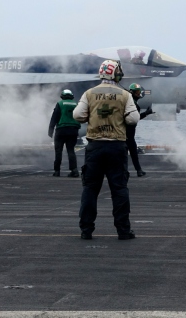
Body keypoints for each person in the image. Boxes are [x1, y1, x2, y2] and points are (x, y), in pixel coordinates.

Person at [73, 59, 140, 240]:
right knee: (119, 189)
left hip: (94, 146)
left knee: (90, 189)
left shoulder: (89, 93)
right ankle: (123, 230)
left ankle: (86, 230)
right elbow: (133, 119)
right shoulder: (125, 95)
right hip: (116, 146)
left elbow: (78, 115)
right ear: (114, 73)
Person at [48, 89, 81, 177]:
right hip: (73, 130)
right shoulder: (76, 104)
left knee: (58, 151)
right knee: (71, 150)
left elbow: (54, 117)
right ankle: (74, 170)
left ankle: (57, 171)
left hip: (61, 130)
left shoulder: (60, 103)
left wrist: (50, 130)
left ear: (62, 96)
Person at [127, 83, 154, 177]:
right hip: (127, 132)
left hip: (127, 132)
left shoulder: (130, 103)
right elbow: (136, 118)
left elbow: (135, 118)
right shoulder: (133, 104)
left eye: (139, 92)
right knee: (131, 152)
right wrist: (146, 113)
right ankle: (138, 170)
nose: (139, 94)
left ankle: (138, 170)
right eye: (137, 92)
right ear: (132, 92)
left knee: (131, 152)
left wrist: (146, 113)